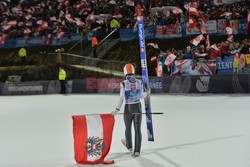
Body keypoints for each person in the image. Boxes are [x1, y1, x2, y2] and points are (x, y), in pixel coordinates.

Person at [112, 64, 150, 157]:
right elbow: (141, 96)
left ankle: (129, 147)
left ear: (124, 72)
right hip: (137, 106)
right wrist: (147, 93)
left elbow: (121, 98)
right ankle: (137, 151)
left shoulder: (123, 83)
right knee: (138, 129)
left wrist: (117, 109)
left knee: (128, 128)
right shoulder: (139, 82)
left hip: (128, 108)